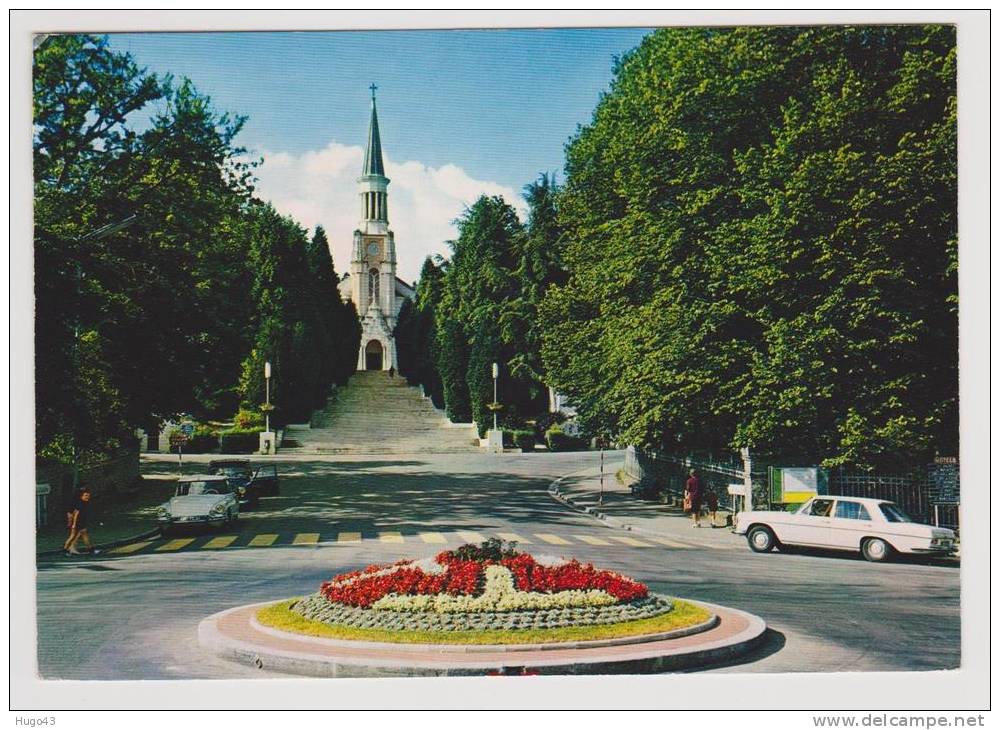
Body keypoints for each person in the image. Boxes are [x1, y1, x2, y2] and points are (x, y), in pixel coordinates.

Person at [64, 487, 99, 556]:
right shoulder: (80, 503)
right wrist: (74, 524)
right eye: (85, 495)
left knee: (84, 535)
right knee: (72, 537)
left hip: (81, 522)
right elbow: (76, 514)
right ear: (81, 496)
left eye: (88, 496)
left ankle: (90, 550)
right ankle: (65, 550)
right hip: (77, 522)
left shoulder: (84, 502)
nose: (87, 497)